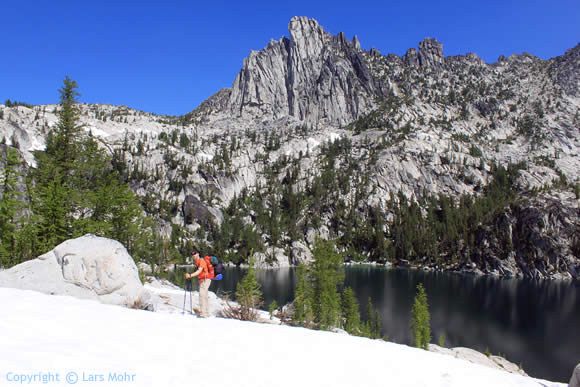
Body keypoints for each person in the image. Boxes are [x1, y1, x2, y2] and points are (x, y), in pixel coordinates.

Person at [185, 250, 212, 318]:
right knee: (204, 296)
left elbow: (199, 271)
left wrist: (190, 275)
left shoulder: (201, 261)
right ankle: (206, 313)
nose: (193, 255)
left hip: (205, 280)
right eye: (192, 254)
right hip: (203, 280)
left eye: (195, 253)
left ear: (198, 254)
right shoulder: (197, 262)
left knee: (202, 296)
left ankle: (203, 314)